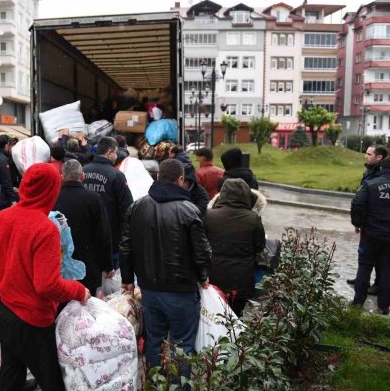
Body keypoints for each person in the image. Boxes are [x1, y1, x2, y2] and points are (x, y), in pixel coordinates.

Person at [0, 163, 90, 391]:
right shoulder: (45, 228)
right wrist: (79, 291)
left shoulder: (1, 218)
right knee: (51, 382)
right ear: (51, 190)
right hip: (33, 321)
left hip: (6, 313)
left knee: (11, 377)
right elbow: (47, 284)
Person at [120, 159, 211, 373]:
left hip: (149, 290)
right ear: (180, 180)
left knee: (154, 340)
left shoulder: (137, 206)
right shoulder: (189, 210)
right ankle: (180, 386)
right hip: (182, 292)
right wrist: (203, 276)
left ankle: (155, 382)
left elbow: (126, 246)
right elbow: (203, 253)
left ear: (158, 177)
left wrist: (127, 279)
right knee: (183, 346)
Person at [350, 156, 390, 315]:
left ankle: (357, 303)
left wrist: (358, 223)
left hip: (371, 235)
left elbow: (357, 203)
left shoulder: (371, 184)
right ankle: (383, 308)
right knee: (388, 271)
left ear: (381, 168)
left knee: (364, 267)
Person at [206, 179, 266, 316]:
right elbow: (259, 246)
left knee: (213, 313)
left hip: (214, 273)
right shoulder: (253, 218)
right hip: (241, 278)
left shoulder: (209, 215)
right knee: (235, 315)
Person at [54, 160, 114, 294]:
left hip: (59, 265)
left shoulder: (54, 198)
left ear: (62, 176)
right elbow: (103, 234)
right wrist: (108, 265)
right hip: (88, 266)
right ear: (82, 176)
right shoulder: (94, 199)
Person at [83, 136, 133, 267]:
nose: (116, 155)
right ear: (109, 152)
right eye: (115, 152)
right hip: (110, 237)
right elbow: (127, 207)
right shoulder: (116, 175)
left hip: (86, 235)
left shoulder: (83, 171)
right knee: (110, 278)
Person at [347, 145, 388, 292]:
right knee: (364, 251)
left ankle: (377, 284)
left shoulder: (380, 174)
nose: (366, 156)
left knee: (376, 254)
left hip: (375, 220)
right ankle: (362, 278)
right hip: (366, 219)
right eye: (366, 153)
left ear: (379, 158)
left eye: (369, 154)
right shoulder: (369, 171)